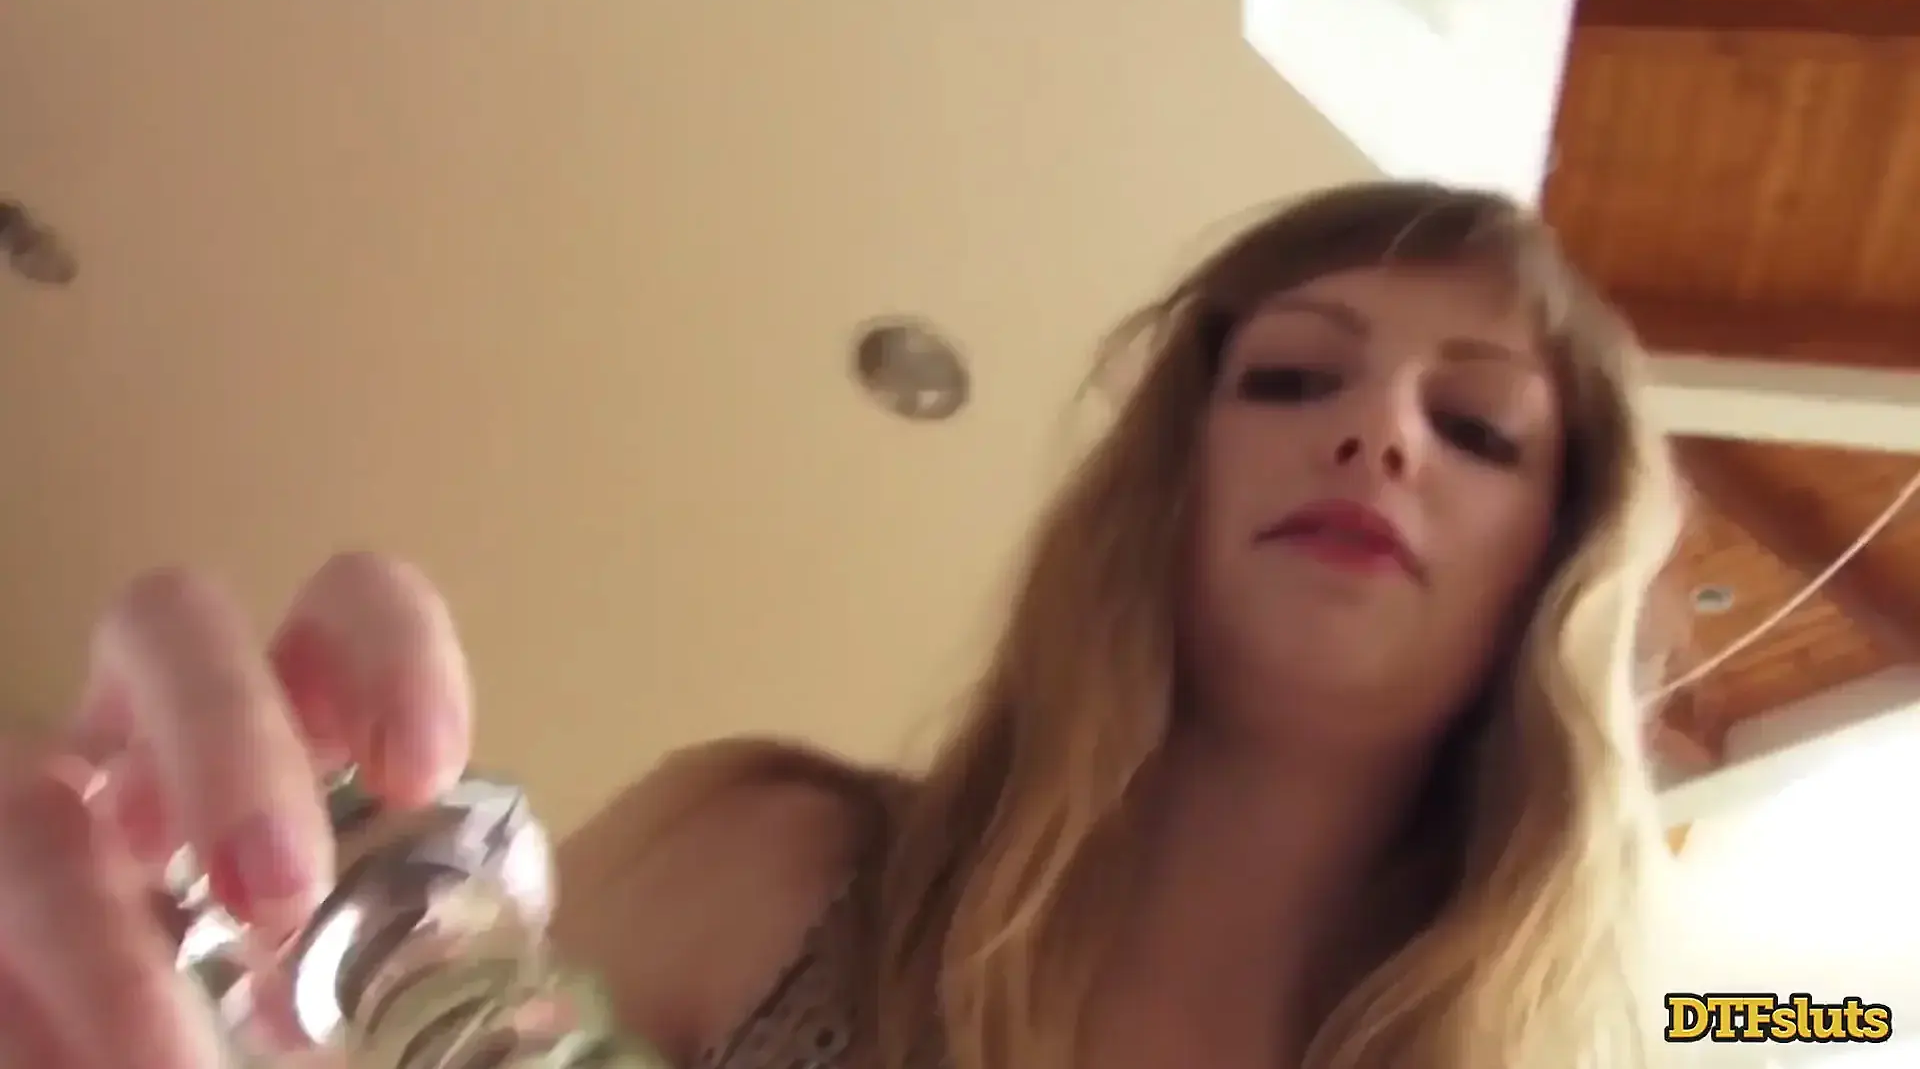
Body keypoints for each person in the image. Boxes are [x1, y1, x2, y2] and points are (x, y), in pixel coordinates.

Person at [0, 180, 1684, 1069]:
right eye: (1296, 377)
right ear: (1167, 481)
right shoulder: (776, 871)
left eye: (1477, 428)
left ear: (1561, 569)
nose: (1377, 430)